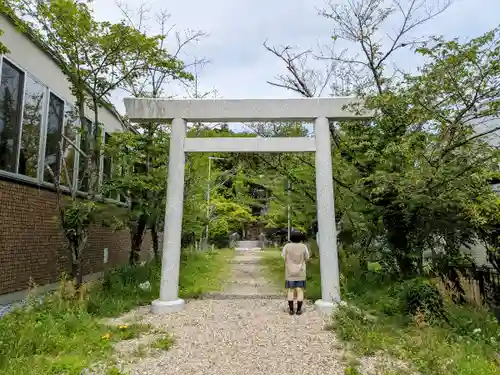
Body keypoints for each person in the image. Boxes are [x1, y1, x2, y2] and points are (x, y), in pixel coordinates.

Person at [282, 231, 309, 315]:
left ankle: (291, 309)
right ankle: (298, 310)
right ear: (301, 238)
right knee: (299, 290)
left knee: (290, 290)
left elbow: (283, 256)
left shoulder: (287, 246)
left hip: (289, 272)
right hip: (301, 272)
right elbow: (307, 257)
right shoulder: (304, 247)